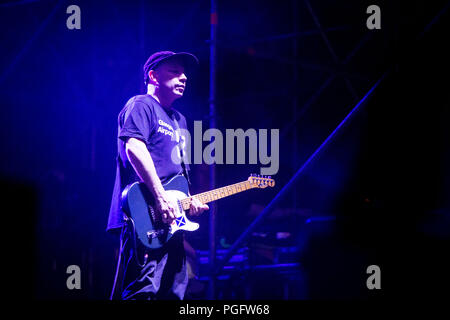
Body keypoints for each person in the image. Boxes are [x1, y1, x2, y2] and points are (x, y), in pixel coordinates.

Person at [107, 51, 209, 300]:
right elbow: (134, 147)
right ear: (153, 76)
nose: (183, 77)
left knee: (175, 292)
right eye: (175, 71)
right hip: (144, 215)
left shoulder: (179, 120)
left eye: (184, 73)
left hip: (171, 221)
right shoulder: (142, 104)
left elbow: (176, 173)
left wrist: (188, 202)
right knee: (144, 291)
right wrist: (161, 197)